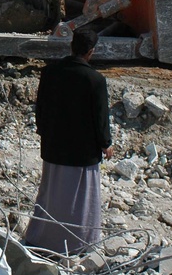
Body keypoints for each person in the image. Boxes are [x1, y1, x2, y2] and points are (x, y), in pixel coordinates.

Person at [24, 29, 112, 256]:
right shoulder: (95, 80)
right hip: (82, 152)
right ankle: (79, 242)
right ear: (91, 52)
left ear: (71, 46)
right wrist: (106, 143)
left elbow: (41, 107)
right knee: (80, 199)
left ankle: (43, 237)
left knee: (51, 193)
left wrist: (43, 131)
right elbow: (100, 117)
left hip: (54, 146)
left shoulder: (50, 72)